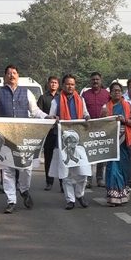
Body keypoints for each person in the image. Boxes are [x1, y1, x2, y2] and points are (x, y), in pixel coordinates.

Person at [0, 64, 49, 214]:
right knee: (7, 170)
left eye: (14, 73)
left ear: (18, 76)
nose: (12, 75)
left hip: (23, 137)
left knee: (26, 168)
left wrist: (47, 117)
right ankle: (11, 200)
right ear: (5, 77)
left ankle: (24, 189)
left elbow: (35, 111)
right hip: (4, 137)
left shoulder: (26, 92)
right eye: (9, 73)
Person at [48, 74, 90, 210]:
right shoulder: (56, 101)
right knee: (66, 173)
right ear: (63, 85)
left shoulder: (81, 99)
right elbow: (50, 117)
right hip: (63, 141)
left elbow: (85, 114)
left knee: (83, 171)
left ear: (75, 86)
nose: (70, 86)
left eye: (72, 84)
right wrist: (54, 118)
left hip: (79, 141)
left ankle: (80, 194)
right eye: (67, 84)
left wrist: (87, 117)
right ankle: (70, 199)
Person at [102, 82, 131, 206]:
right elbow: (100, 124)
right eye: (114, 90)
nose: (117, 92)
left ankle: (122, 193)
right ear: (110, 93)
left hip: (125, 143)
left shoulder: (127, 106)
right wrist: (107, 118)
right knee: (113, 168)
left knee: (124, 168)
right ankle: (113, 196)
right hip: (111, 142)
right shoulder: (105, 107)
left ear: (122, 92)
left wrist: (125, 120)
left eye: (119, 90)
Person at [82, 72, 111, 188]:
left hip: (103, 128)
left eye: (97, 79)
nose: (95, 81)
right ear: (90, 81)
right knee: (88, 153)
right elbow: (82, 109)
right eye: (93, 79)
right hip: (88, 128)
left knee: (101, 154)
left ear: (101, 80)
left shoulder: (107, 94)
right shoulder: (85, 94)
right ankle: (88, 179)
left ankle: (99, 178)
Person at [38, 76, 60, 192]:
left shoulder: (61, 97)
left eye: (55, 82)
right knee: (48, 157)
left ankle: (62, 183)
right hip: (48, 132)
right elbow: (39, 113)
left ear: (58, 85)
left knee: (61, 157)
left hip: (60, 131)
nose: (53, 84)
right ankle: (49, 182)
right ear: (48, 84)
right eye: (51, 82)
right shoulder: (43, 98)